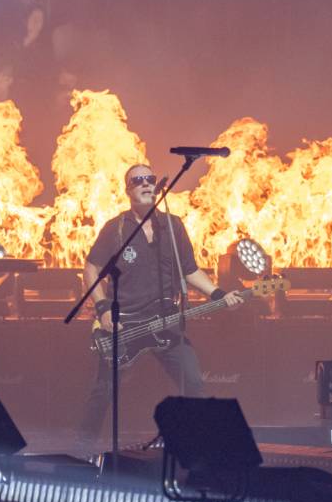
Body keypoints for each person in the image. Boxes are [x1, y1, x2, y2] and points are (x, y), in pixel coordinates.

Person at [73, 164, 243, 448]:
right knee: (104, 390)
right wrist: (103, 310)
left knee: (193, 382)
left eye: (150, 179)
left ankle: (197, 445)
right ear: (128, 190)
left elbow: (189, 271)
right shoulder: (116, 229)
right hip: (124, 323)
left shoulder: (173, 226)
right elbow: (91, 269)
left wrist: (218, 295)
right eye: (137, 180)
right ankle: (81, 446)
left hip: (165, 323)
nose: (146, 184)